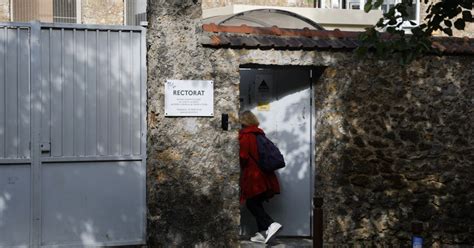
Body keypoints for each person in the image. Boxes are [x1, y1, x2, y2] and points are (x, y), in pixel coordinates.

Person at [239, 110, 282, 244]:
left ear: (243, 122)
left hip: (255, 177)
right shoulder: (259, 134)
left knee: (252, 203)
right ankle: (262, 233)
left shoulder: (246, 135)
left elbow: (243, 156)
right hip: (265, 176)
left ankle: (271, 224)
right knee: (256, 203)